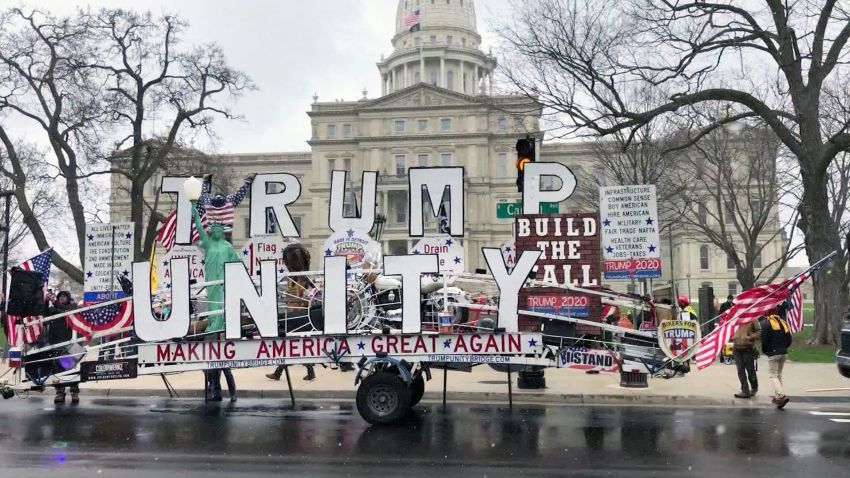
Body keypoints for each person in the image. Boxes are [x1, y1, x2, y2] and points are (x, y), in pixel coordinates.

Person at [191, 202, 239, 402]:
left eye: (220, 229)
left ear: (224, 231)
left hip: (224, 285)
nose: (217, 232)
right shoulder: (209, 244)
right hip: (212, 285)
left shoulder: (227, 247)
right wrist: (195, 210)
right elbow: (200, 229)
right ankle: (217, 391)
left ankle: (232, 392)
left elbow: (237, 263)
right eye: (215, 229)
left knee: (223, 366)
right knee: (213, 310)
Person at [267, 243, 317, 381]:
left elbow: (305, 296)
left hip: (298, 315)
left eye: (288, 260)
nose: (286, 263)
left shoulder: (301, 278)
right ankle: (305, 370)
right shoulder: (294, 277)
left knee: (291, 346)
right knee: (292, 346)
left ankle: (279, 372)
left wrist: (291, 299)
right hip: (293, 314)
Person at [45, 291, 79, 404]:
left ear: (68, 298)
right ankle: (60, 391)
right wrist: (46, 301)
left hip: (68, 343)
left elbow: (66, 312)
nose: (61, 298)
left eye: (64, 296)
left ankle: (74, 391)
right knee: (57, 369)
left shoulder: (72, 306)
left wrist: (54, 302)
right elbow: (45, 313)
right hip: (55, 343)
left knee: (69, 367)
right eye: (59, 297)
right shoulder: (54, 309)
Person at [761, 307, 793, 408]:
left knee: (773, 375)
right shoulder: (783, 322)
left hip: (773, 353)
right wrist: (784, 348)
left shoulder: (766, 324)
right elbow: (789, 339)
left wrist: (766, 351)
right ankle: (778, 396)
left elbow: (764, 340)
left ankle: (781, 395)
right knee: (778, 375)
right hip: (783, 352)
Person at [731, 315, 761, 398]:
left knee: (750, 370)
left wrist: (750, 337)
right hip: (736, 348)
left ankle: (754, 387)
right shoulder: (735, 318)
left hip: (748, 348)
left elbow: (759, 332)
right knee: (740, 370)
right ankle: (745, 390)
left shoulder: (752, 318)